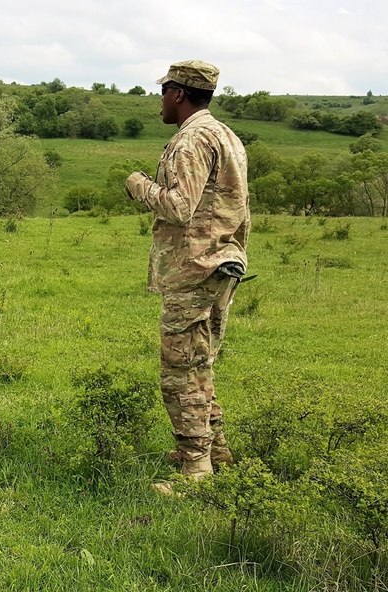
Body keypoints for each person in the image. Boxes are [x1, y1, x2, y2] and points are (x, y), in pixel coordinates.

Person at [125, 61, 250, 487]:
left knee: (179, 369)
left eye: (164, 92)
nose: (160, 100)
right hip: (221, 264)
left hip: (194, 268)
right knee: (200, 364)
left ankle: (195, 469)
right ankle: (214, 450)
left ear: (179, 94)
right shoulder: (226, 135)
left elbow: (180, 207)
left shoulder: (192, 140)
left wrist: (139, 184)